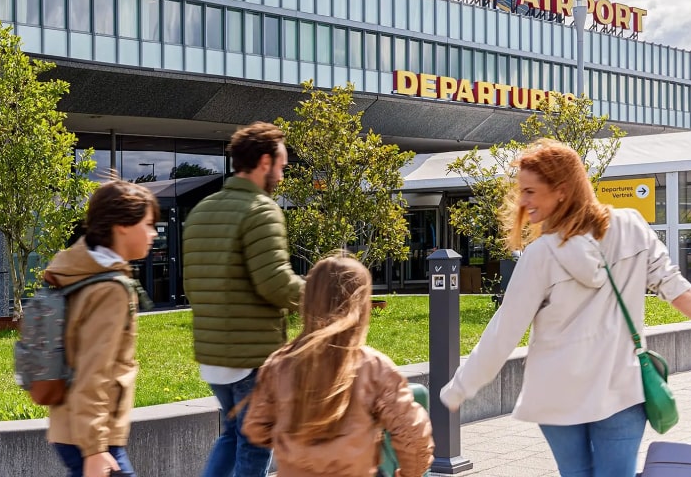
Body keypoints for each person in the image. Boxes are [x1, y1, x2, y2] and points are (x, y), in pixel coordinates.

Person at [440, 139, 691, 476]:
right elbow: (677, 290)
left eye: (530, 191)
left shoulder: (541, 255)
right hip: (622, 391)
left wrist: (458, 390)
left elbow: (504, 333)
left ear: (561, 190)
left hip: (558, 397)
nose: (523, 201)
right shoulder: (631, 227)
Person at [183, 121, 305, 477]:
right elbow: (276, 284)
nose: (282, 175)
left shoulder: (202, 210)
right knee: (255, 445)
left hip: (212, 355)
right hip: (250, 357)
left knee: (234, 435)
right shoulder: (261, 210)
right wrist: (324, 294)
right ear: (264, 162)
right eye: (281, 166)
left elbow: (192, 284)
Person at [242, 256, 434, 477]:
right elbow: (414, 437)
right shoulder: (374, 368)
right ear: (361, 305)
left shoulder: (279, 364)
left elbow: (256, 428)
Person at [46, 179, 159, 477]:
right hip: (92, 435)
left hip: (71, 425)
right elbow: (93, 373)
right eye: (148, 224)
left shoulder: (81, 267)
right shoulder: (110, 289)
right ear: (122, 225)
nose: (154, 233)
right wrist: (95, 449)